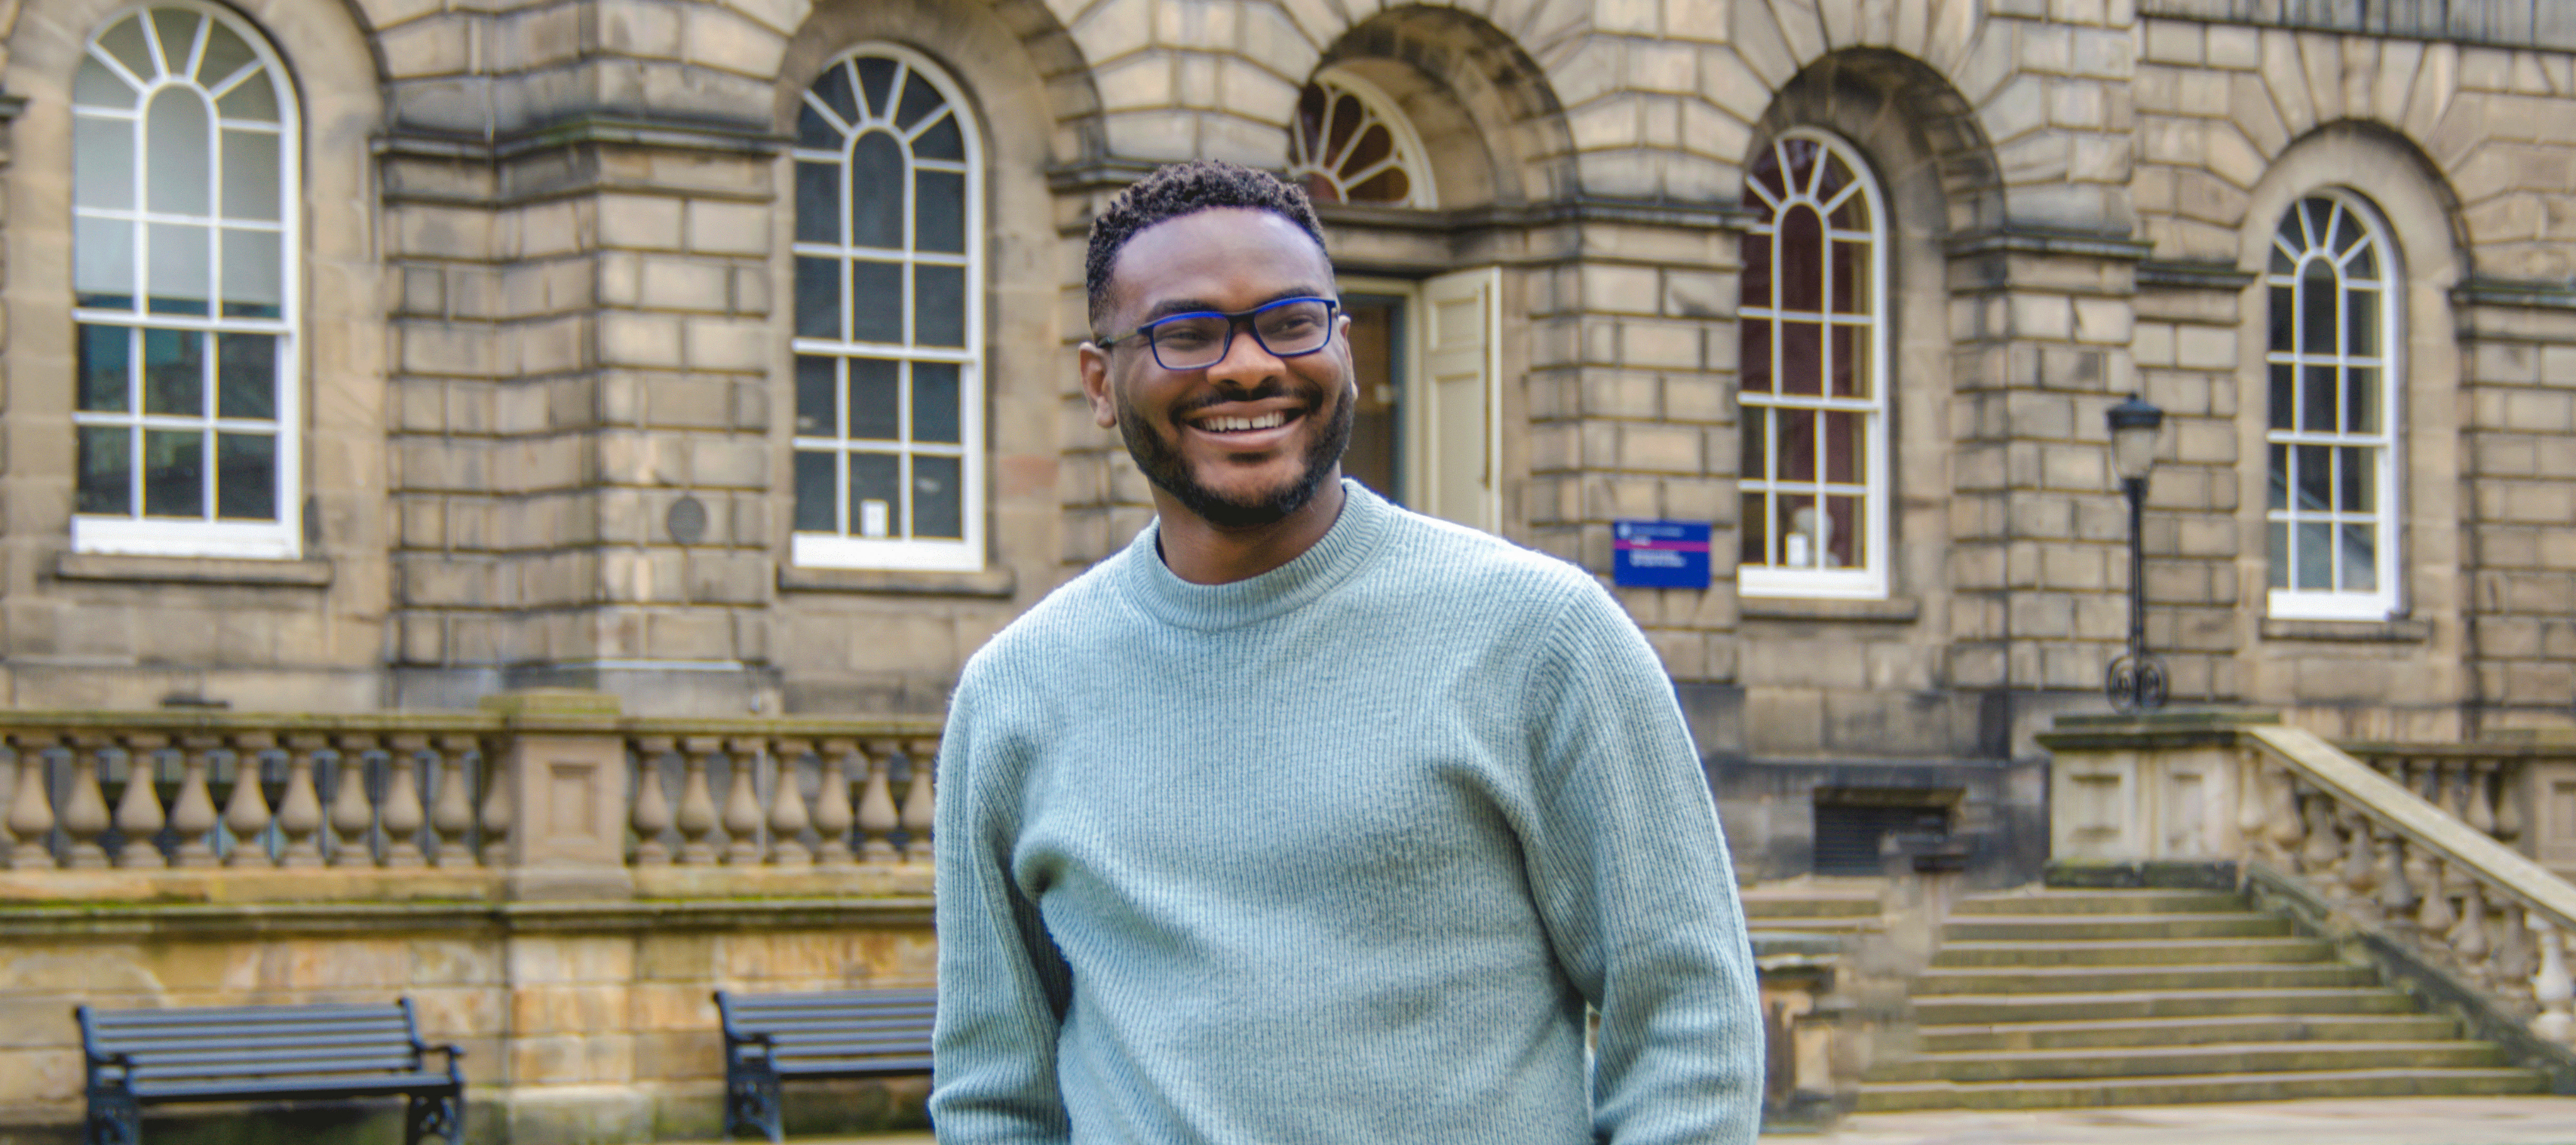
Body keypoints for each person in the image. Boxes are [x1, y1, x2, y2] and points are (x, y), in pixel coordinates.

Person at [929, 159, 1762, 1144]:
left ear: (1345, 349)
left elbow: (1689, 1028)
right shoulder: (1016, 692)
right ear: (1100, 381)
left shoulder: (1542, 636)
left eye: (1290, 321)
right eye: (1186, 333)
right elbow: (994, 1092)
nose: (1245, 365)